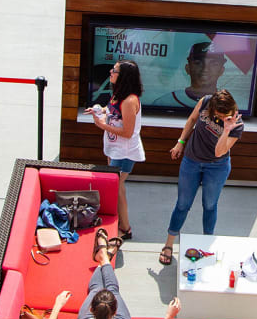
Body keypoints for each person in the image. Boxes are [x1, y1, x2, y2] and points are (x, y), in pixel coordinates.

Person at [160, 89, 244, 265]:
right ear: (212, 108)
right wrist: (180, 142)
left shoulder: (237, 125)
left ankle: (207, 244)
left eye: (225, 115)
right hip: (191, 160)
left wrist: (227, 129)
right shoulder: (206, 101)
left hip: (217, 166)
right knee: (182, 204)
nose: (221, 118)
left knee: (210, 205)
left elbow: (219, 151)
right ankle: (168, 245)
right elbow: (191, 120)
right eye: (219, 115)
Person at [47, 230, 182, 319]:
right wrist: (169, 316)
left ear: (91, 309)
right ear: (115, 312)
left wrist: (58, 305)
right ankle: (104, 257)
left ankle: (104, 257)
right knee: (103, 289)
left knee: (103, 288)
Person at [86, 60, 143, 240]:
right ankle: (123, 224)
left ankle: (125, 228)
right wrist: (99, 111)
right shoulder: (118, 94)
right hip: (114, 150)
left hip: (124, 153)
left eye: (115, 70)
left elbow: (127, 132)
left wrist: (102, 125)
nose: (111, 71)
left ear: (124, 76)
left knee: (117, 189)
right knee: (119, 189)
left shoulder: (129, 101)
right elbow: (110, 111)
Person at [147, 41, 230, 111]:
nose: (205, 69)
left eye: (213, 64)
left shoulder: (228, 105)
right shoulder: (165, 102)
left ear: (222, 70)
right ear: (187, 68)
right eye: (198, 63)